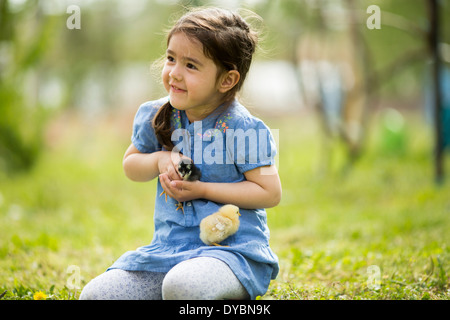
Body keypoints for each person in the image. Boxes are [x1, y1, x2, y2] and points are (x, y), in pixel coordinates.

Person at [79, 7, 281, 300]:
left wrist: (200, 189)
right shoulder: (157, 114)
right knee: (95, 296)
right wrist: (161, 158)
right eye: (172, 58)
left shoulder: (245, 129)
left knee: (183, 286)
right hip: (168, 251)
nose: (174, 72)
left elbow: (269, 192)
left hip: (231, 255)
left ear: (227, 80)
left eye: (191, 66)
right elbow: (131, 165)